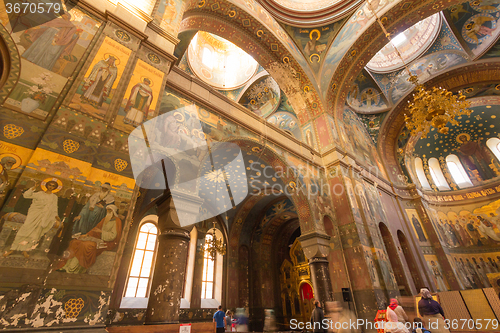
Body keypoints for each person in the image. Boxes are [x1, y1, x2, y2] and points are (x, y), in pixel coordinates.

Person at [3, 180, 61, 258]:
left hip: (44, 217)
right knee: (24, 231)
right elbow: (26, 195)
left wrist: (56, 216)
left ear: (55, 188)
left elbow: (54, 207)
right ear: (46, 185)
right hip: (34, 215)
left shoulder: (54, 197)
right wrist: (34, 187)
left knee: (35, 234)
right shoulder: (39, 194)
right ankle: (12, 249)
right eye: (50, 185)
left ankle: (25, 250)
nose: (51, 187)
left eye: (53, 186)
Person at [57, 205, 122, 273]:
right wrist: (86, 235)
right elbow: (96, 229)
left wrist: (101, 232)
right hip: (98, 239)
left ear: (113, 211)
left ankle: (72, 269)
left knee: (86, 245)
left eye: (109, 210)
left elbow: (113, 236)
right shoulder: (105, 219)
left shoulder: (117, 221)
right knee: (75, 242)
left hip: (107, 242)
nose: (108, 212)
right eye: (107, 210)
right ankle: (66, 266)